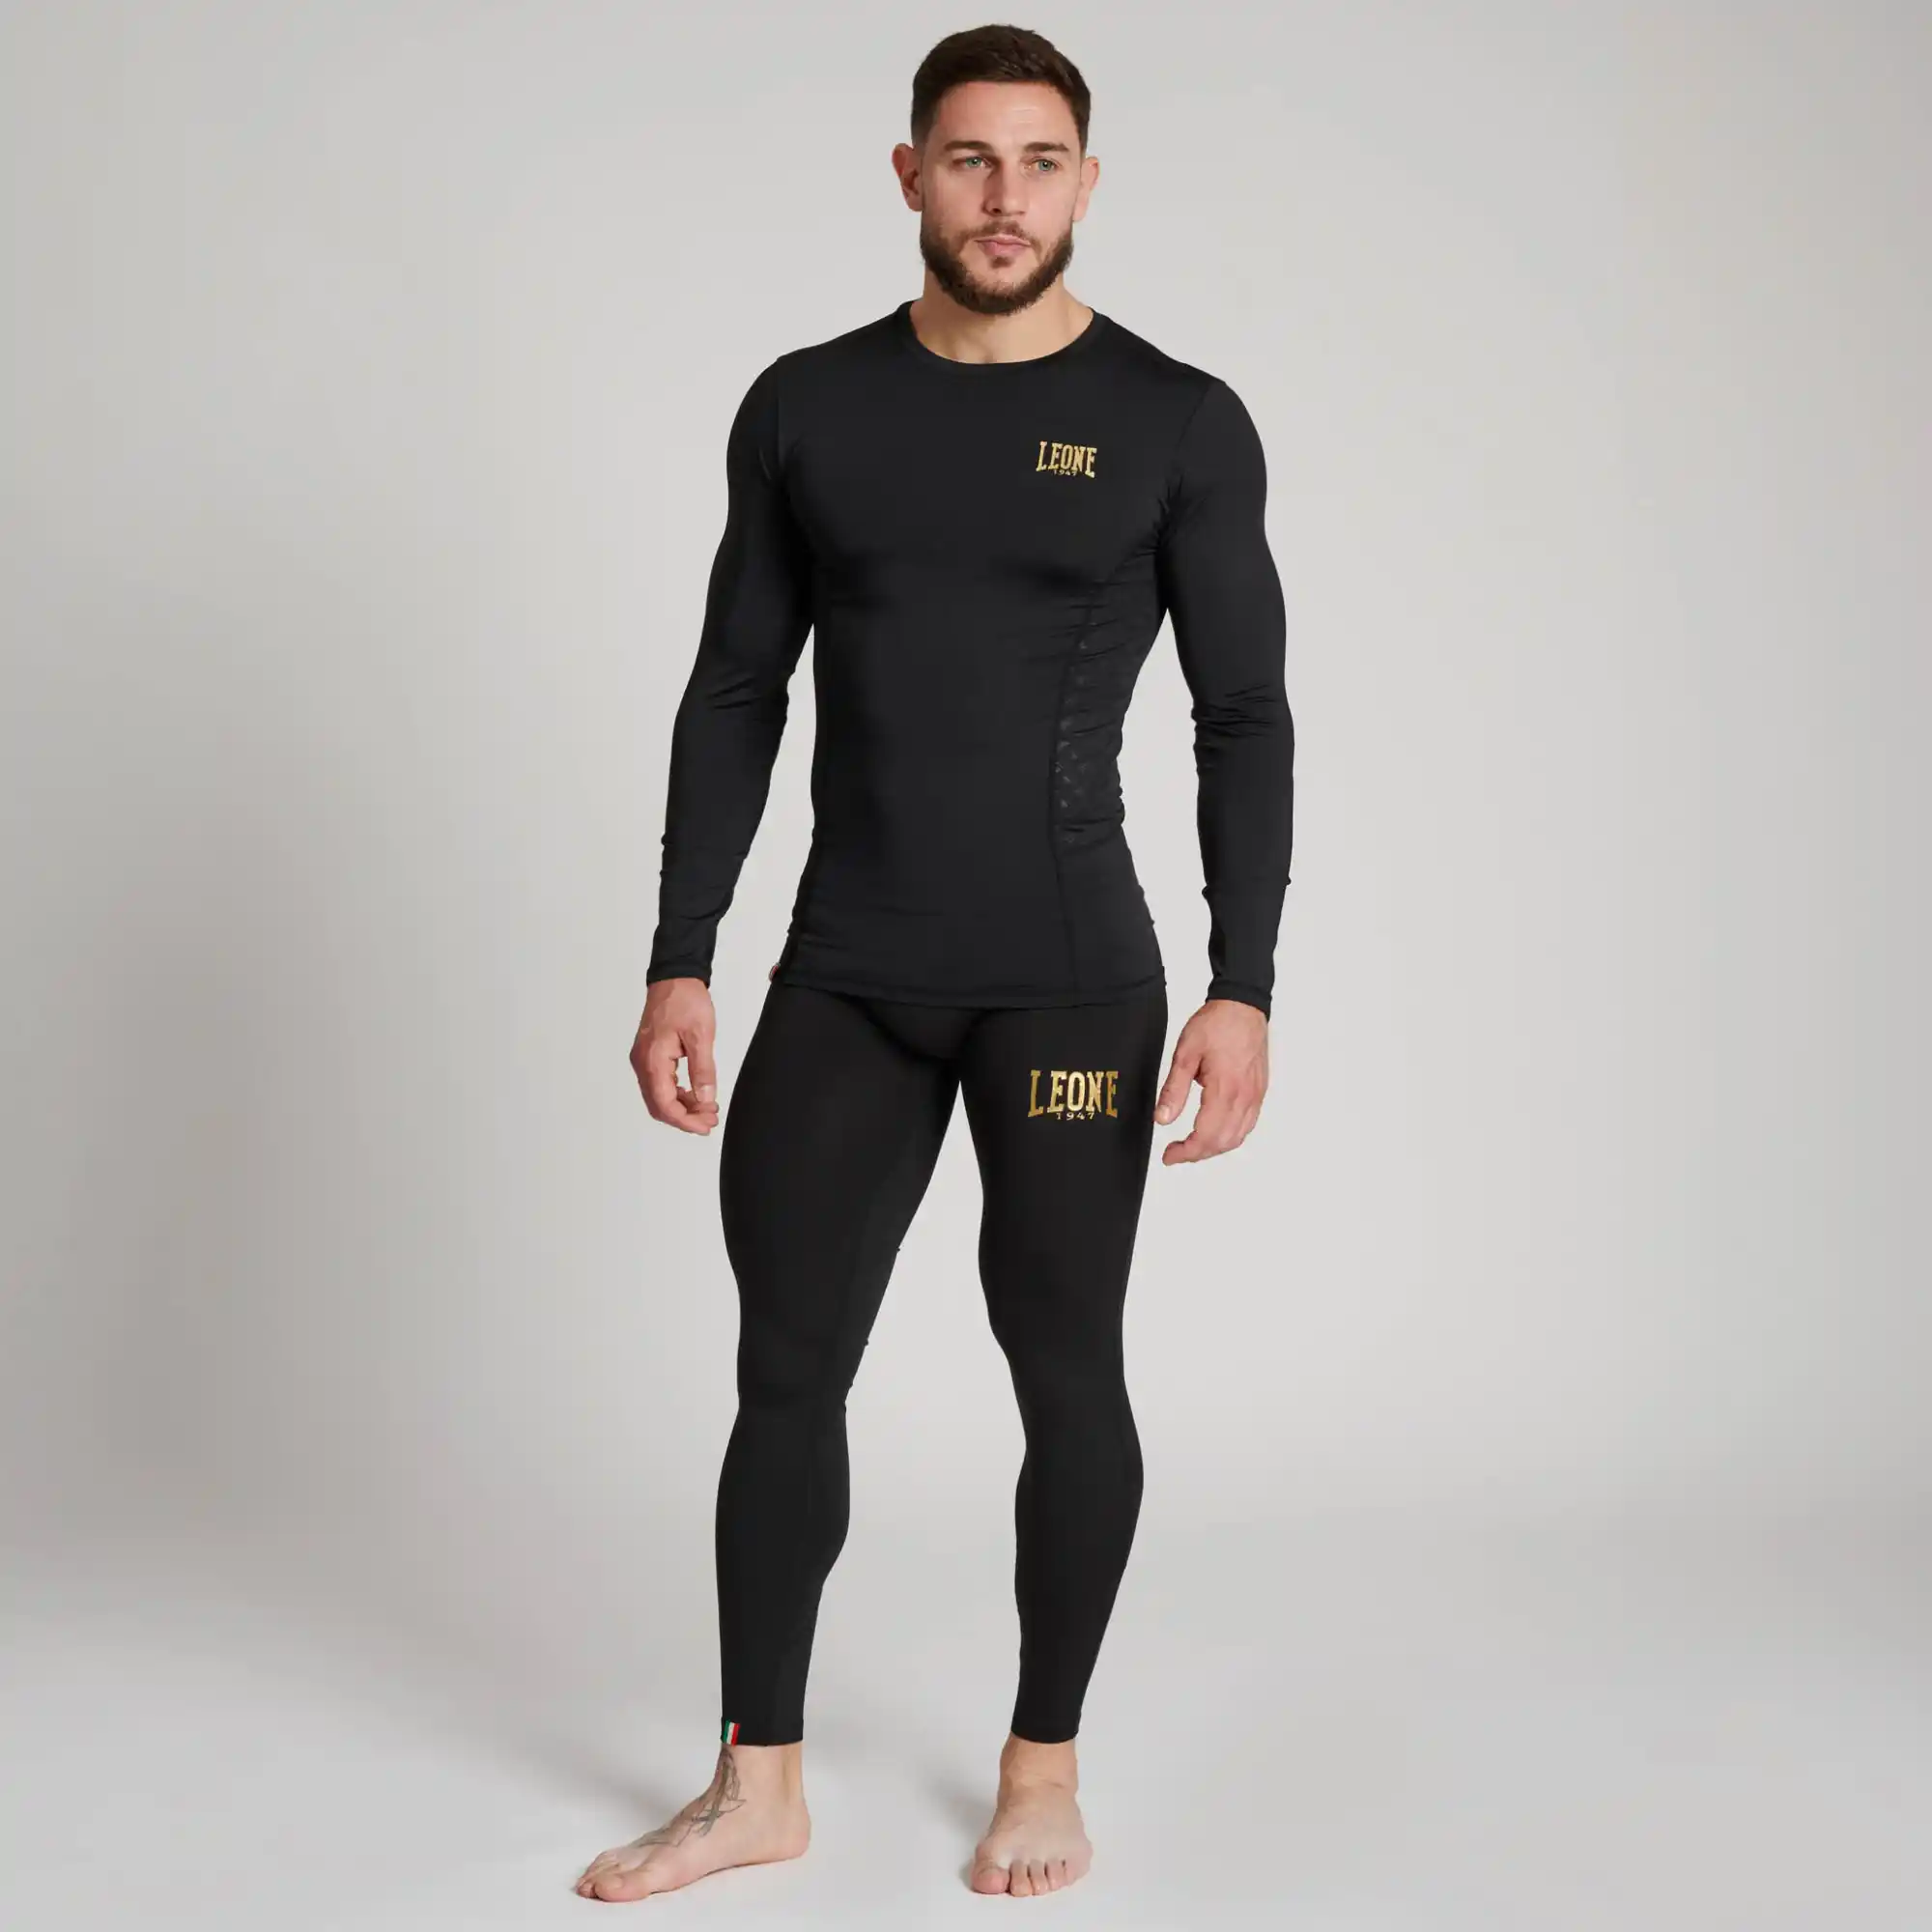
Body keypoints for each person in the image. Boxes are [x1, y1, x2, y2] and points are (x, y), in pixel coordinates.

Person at [577, 22, 1293, 1906]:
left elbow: (1243, 715)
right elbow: (737, 685)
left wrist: (1245, 982)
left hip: (1067, 981)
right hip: (849, 972)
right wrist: (679, 954)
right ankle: (757, 1785)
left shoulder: (1172, 421)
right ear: (909, 175)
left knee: (1064, 1366)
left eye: (1040, 160)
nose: (1004, 196)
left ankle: (1041, 1769)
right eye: (969, 158)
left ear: (1087, 183)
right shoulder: (810, 406)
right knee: (784, 1370)